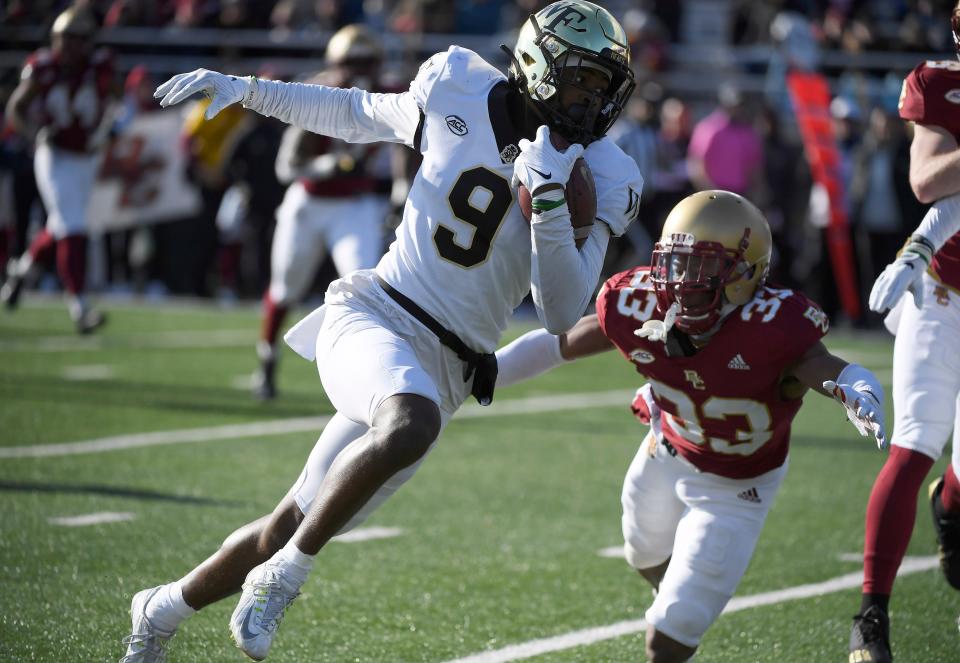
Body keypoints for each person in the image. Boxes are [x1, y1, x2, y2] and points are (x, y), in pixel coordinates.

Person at [121, 2, 642, 661]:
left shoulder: (610, 173)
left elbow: (564, 310)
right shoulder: (458, 84)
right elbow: (355, 113)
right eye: (581, 79)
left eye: (604, 86)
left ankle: (160, 608)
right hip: (377, 314)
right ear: (537, 66)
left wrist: (546, 207)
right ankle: (287, 576)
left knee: (290, 520)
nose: (593, 99)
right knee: (404, 427)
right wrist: (246, 90)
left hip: (450, 366)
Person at [494, 190, 886, 663]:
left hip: (737, 487)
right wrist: (485, 371)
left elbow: (826, 366)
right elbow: (558, 345)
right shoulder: (639, 303)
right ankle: (687, 603)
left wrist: (855, 387)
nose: (681, 283)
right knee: (642, 555)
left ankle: (684, 615)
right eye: (675, 264)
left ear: (746, 273)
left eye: (701, 268)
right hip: (667, 449)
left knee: (666, 636)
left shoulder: (772, 327)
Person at [848, 6, 960, 661]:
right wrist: (915, 255)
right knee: (915, 439)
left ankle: (949, 507)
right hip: (941, 296)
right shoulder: (940, 83)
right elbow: (929, 182)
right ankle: (871, 614)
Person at [252, 25, 391, 401]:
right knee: (286, 289)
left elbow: (410, 146)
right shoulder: (318, 94)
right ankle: (268, 358)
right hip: (310, 202)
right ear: (335, 65)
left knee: (363, 287)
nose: (360, 71)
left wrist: (400, 189)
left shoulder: (390, 95)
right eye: (352, 63)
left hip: (355, 205)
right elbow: (287, 167)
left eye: (367, 63)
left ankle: (363, 376)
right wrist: (328, 165)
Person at [1, 7, 114, 333]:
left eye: (77, 40)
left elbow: (116, 102)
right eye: (66, 39)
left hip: (86, 158)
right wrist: (34, 133)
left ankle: (20, 272)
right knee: (73, 227)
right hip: (54, 155)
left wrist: (109, 131)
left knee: (61, 224)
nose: (71, 47)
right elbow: (16, 110)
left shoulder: (100, 67)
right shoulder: (43, 68)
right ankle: (80, 307)